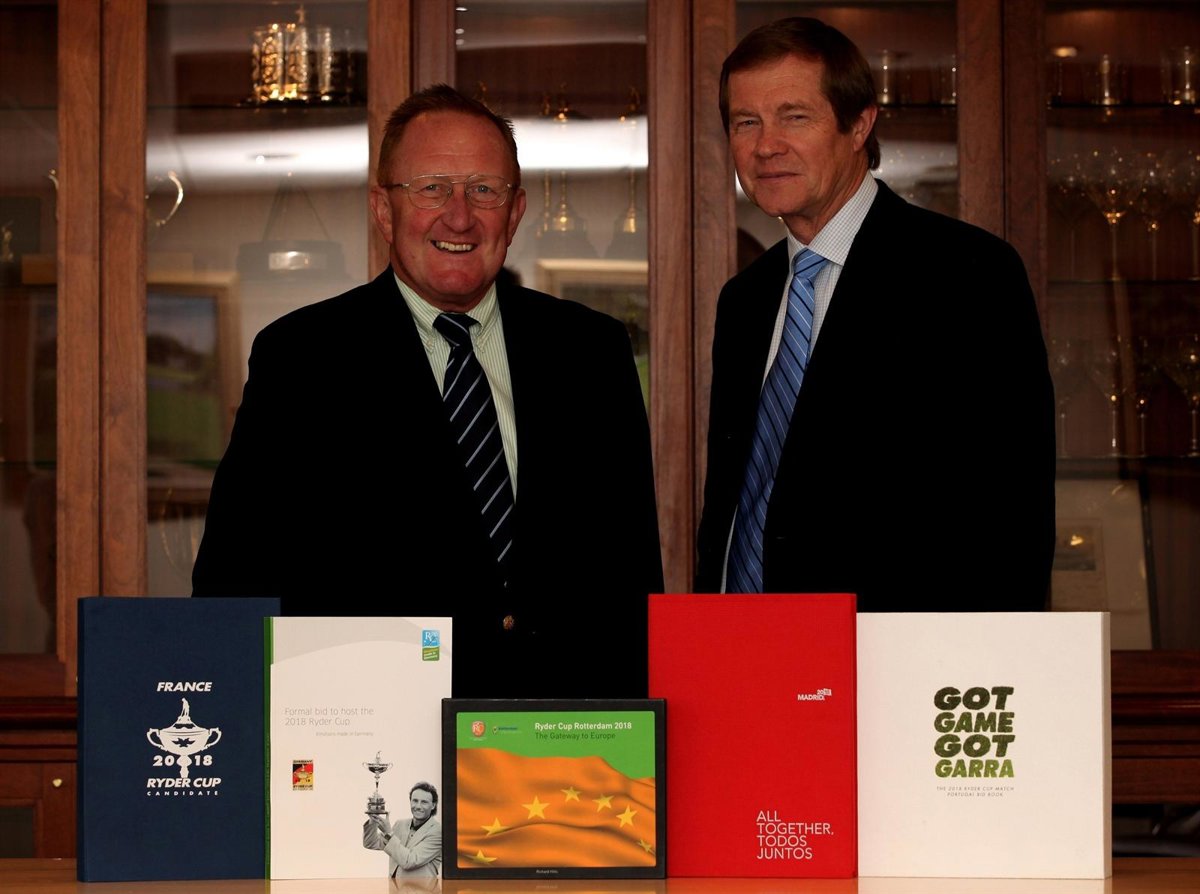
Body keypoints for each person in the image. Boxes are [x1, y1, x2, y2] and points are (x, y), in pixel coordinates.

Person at [192, 84, 663, 696]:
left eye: (484, 190)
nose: (459, 216)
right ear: (384, 210)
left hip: (558, 732)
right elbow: (235, 581)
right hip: (375, 725)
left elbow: (631, 575)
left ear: (516, 212)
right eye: (432, 188)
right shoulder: (303, 360)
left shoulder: (591, 352)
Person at [695, 17, 1055, 610]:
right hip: (742, 647)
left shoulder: (967, 274)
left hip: (897, 655)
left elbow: (1014, 515)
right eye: (745, 122)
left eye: (794, 117)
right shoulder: (745, 299)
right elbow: (736, 506)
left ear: (859, 124)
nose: (765, 145)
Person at [365, 781, 441, 880]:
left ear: (433, 805)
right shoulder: (400, 824)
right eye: (415, 801)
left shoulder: (438, 832)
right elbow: (371, 843)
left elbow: (409, 861)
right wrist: (373, 817)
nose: (418, 806)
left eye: (424, 802)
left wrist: (389, 833)